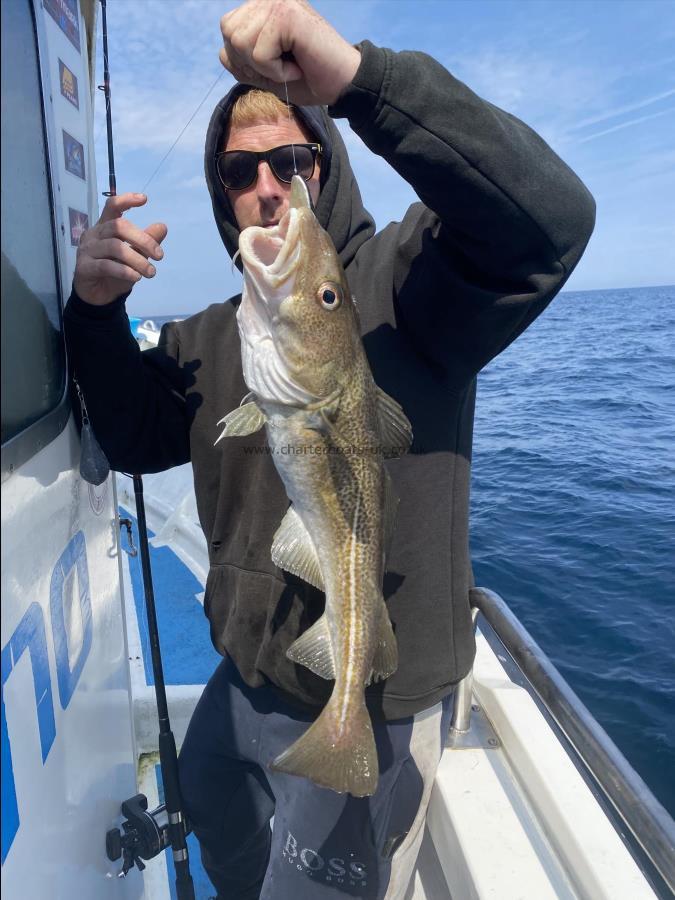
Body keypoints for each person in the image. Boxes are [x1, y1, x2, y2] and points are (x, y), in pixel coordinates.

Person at [64, 1, 596, 897]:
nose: (268, 188)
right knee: (231, 859)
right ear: (221, 195)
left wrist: (361, 80)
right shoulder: (207, 334)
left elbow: (548, 224)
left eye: (292, 161)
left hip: (369, 705)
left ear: (327, 165)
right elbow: (132, 436)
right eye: (240, 171)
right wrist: (95, 314)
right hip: (241, 681)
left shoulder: (413, 281)